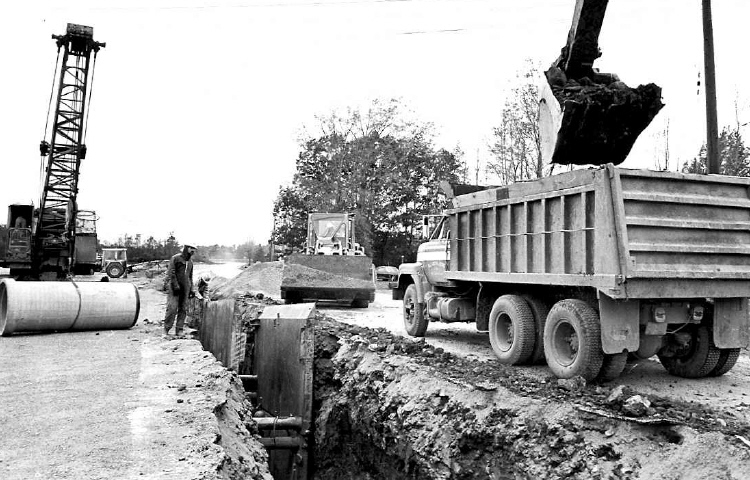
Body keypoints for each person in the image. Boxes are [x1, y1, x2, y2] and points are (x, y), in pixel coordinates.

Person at [163, 244, 196, 337]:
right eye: (191, 248)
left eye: (194, 249)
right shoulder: (175, 258)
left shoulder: (190, 262)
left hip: (185, 289)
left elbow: (190, 277)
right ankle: (166, 329)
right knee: (172, 308)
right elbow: (171, 272)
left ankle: (179, 330)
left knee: (183, 309)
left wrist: (191, 289)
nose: (193, 250)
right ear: (186, 248)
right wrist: (175, 285)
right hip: (174, 288)